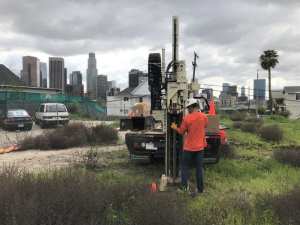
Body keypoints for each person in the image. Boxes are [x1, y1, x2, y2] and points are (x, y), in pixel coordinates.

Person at [171, 98, 208, 193]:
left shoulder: (187, 118)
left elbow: (181, 131)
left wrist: (175, 127)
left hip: (189, 148)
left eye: (188, 108)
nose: (188, 110)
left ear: (192, 107)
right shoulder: (204, 117)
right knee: (199, 169)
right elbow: (205, 126)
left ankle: (184, 188)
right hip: (200, 147)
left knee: (184, 167)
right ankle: (200, 189)